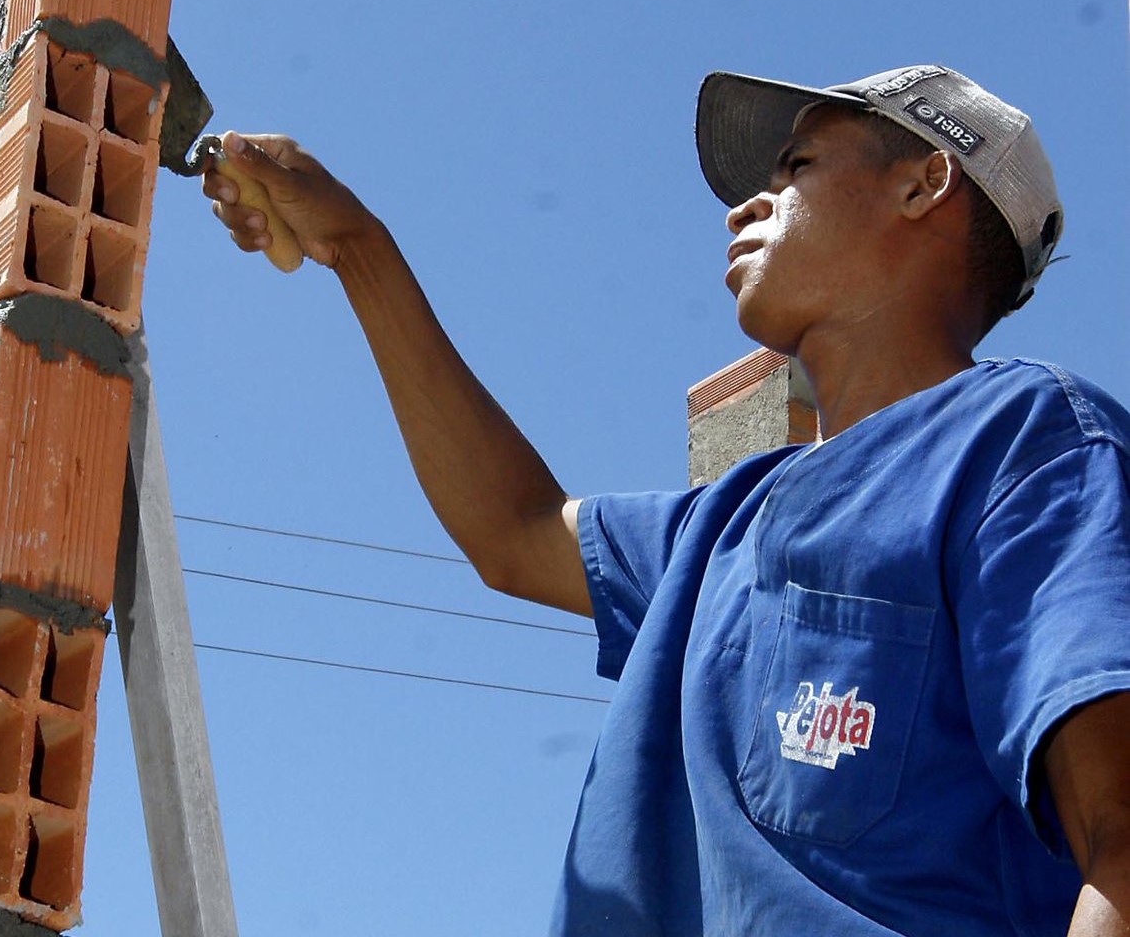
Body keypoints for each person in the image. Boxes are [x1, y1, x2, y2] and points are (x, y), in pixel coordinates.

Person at [201, 65, 1130, 935]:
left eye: (798, 164)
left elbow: (1120, 837)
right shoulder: (719, 528)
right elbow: (513, 531)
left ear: (923, 183)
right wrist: (356, 246)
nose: (747, 205)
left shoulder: (1026, 444)